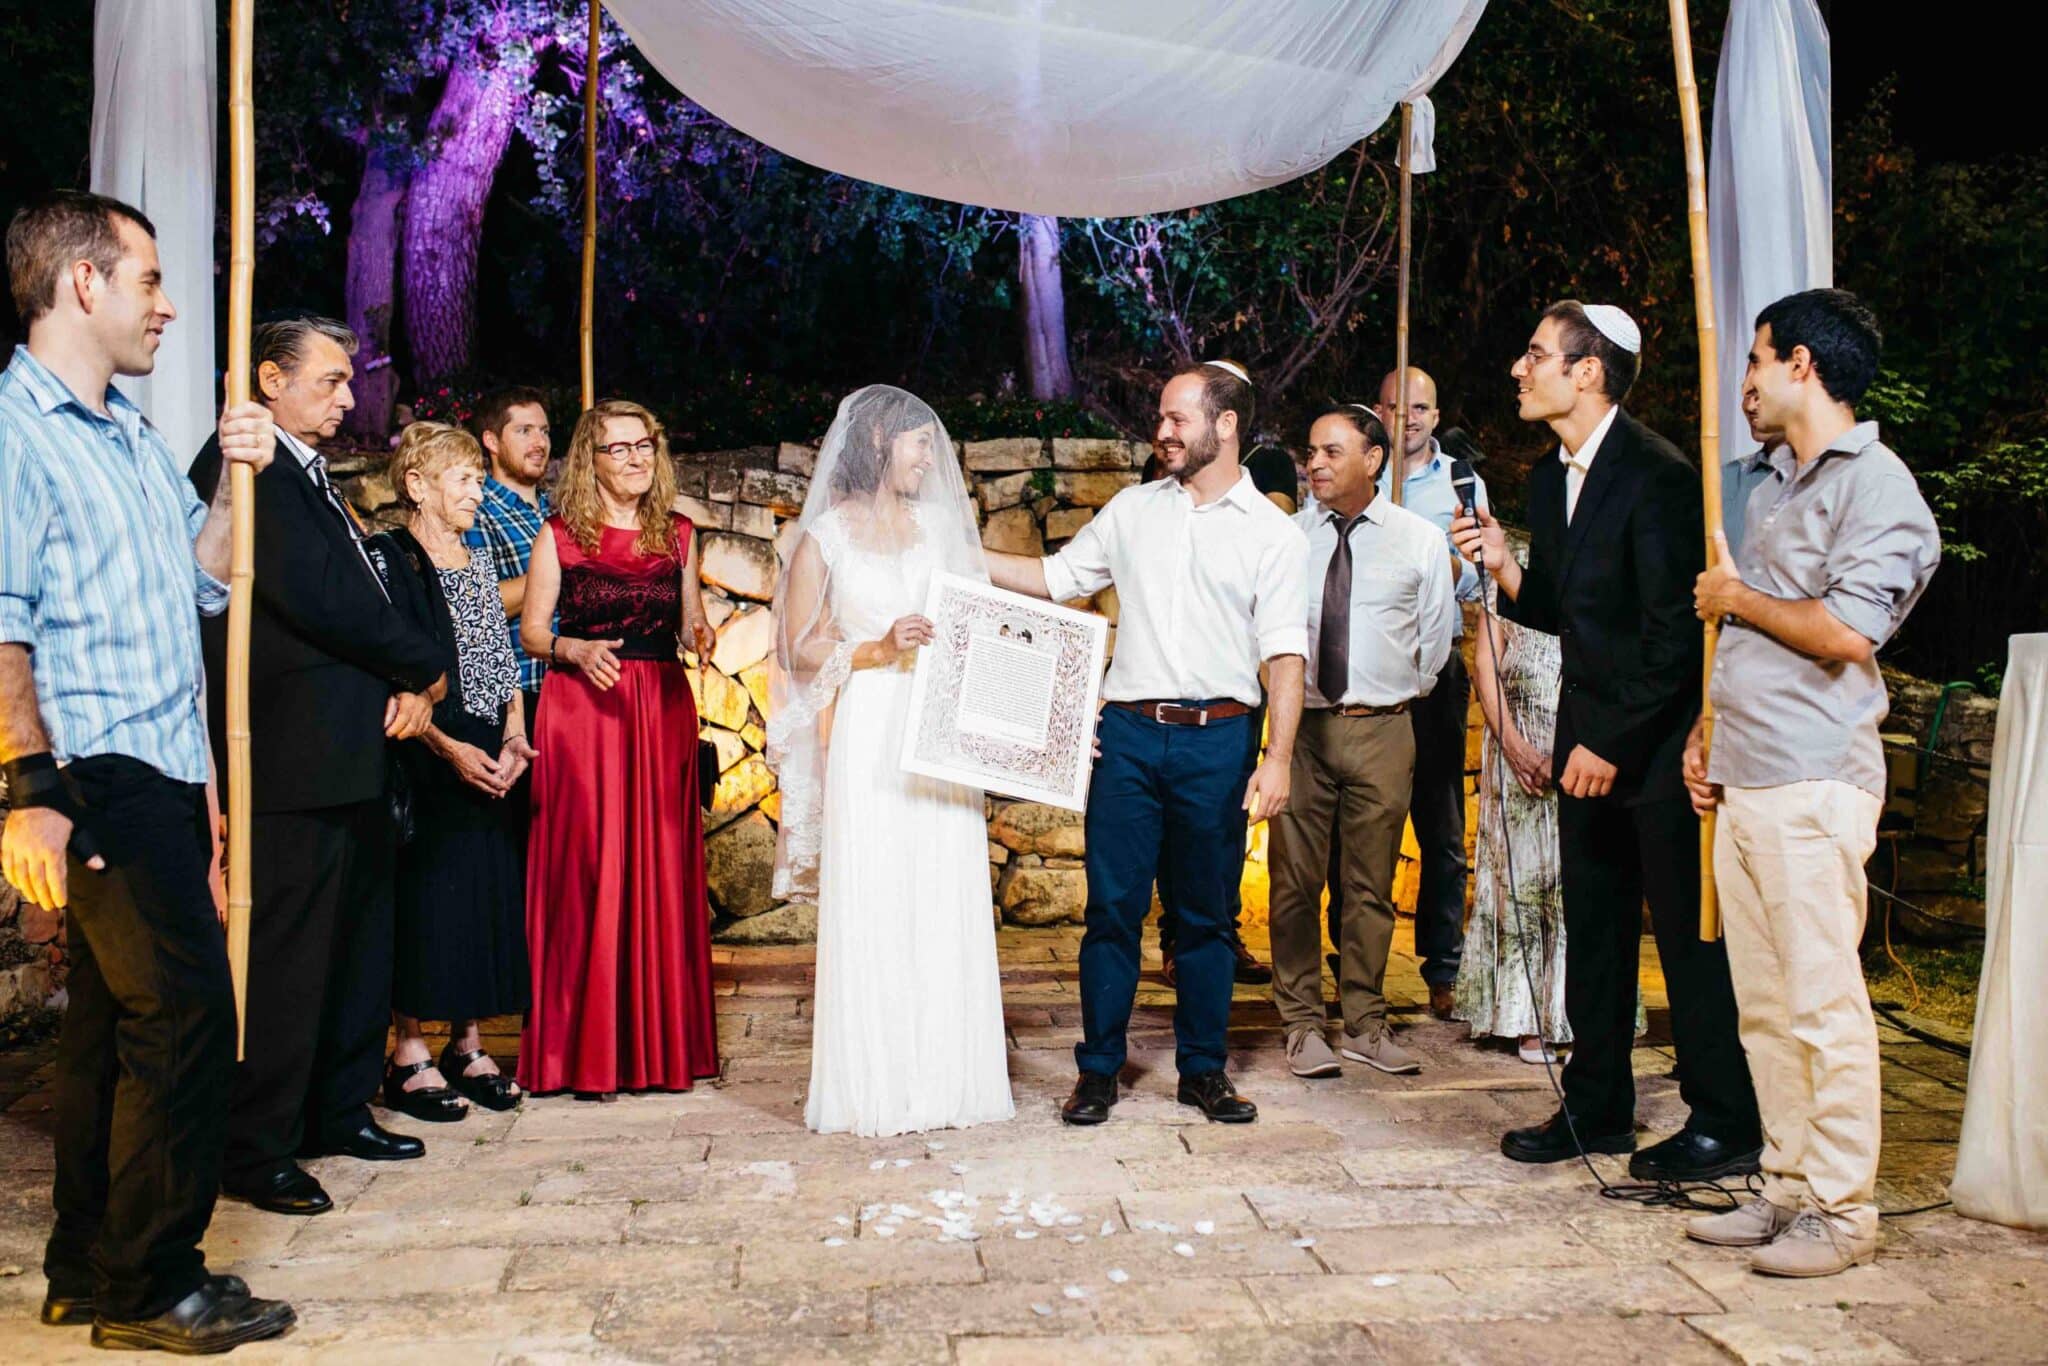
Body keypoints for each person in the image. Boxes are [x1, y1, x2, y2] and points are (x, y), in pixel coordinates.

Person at [1, 189, 295, 1350]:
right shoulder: (13, 431)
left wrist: (235, 480)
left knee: (112, 1030)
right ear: (83, 282)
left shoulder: (121, 430)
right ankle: (152, 1282)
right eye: (150, 281)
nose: (168, 307)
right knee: (183, 1019)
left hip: (162, 767)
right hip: (94, 770)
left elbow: (198, 583)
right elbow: (2, 619)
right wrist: (29, 790)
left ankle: (87, 1264)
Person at [1452, 300, 1761, 1181]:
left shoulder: (1660, 473)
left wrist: (1614, 743)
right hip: (1587, 741)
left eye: (1537, 353)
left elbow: (1673, 637)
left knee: (1687, 941)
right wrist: (1507, 569)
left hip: (1660, 751)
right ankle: (1597, 1111)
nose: (1520, 367)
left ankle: (1725, 1120)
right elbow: (1559, 612)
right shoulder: (1550, 479)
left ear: (1587, 371)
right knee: (1592, 935)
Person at [1683, 289, 1939, 1277]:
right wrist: (1706, 735)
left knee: (1820, 1001)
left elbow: (1843, 631)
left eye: (1752, 360)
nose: (1741, 384)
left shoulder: (1877, 489)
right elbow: (1740, 643)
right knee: (1762, 1001)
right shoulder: (1759, 483)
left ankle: (1839, 1208)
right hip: (1746, 776)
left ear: (1798, 363)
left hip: (1812, 780)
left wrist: (1736, 594)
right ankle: (1784, 1184)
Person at [988, 362, 1308, 1126]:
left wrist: (1279, 757)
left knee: (1207, 921)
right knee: (1111, 911)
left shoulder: (1274, 533)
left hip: (1222, 740)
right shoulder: (1133, 510)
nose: (1161, 431)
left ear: (1225, 426)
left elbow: (1287, 657)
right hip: (1127, 738)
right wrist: (949, 557)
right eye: (1161, 418)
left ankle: (1203, 1071)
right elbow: (1054, 577)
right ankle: (1098, 1071)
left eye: (1178, 419)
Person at [189, 315, 448, 1217]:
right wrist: (423, 662)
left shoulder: (316, 478)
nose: (348, 398)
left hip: (352, 755)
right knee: (287, 956)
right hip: (289, 756)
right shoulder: (245, 470)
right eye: (331, 381)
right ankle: (256, 1143)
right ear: (269, 378)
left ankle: (338, 1108)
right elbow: (323, 598)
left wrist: (415, 678)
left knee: (355, 945)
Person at [768, 385, 1015, 1136]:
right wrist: (876, 648)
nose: (928, 459)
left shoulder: (941, 530)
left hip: (938, 728)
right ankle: (873, 1084)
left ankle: (949, 1081)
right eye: (918, 445)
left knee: (942, 889)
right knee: (877, 888)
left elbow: (985, 625)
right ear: (879, 445)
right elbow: (795, 648)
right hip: (874, 725)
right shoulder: (826, 539)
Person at [518, 399, 720, 1098]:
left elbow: (691, 619)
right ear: (591, 460)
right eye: (621, 449)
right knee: (591, 870)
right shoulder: (561, 536)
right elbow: (534, 634)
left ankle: (662, 1045)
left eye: (646, 446)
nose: (637, 459)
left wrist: (700, 632)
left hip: (660, 707)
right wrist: (573, 648)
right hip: (586, 713)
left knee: (662, 868)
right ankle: (586, 1054)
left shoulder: (680, 533)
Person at [1270, 405, 1453, 1080]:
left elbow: (1435, 642)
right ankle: (1299, 1024)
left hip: (1384, 728)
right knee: (1293, 883)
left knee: (1370, 886)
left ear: (1372, 460)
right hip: (1305, 732)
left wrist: (1396, 692)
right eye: (1310, 452)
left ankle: (1365, 1023)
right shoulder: (1289, 539)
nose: (1314, 463)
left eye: (1331, 452)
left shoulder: (1418, 540)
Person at [371, 422, 533, 1122]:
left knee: (481, 893)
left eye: (477, 477)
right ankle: (407, 1051)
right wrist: (448, 747)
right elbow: (387, 673)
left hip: (490, 743)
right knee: (425, 898)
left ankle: (467, 1044)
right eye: (464, 480)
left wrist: (516, 733)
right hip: (427, 751)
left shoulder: (473, 556)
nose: (478, 491)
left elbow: (500, 658)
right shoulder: (393, 560)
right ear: (417, 486)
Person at [1369, 366, 1485, 1019]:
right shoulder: (1359, 472)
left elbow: (1479, 576)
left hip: (1435, 675)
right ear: (1379, 410)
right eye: (1394, 406)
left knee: (1440, 828)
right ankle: (1357, 968)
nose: (1406, 417)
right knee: (1361, 830)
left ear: (1434, 416)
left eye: (1418, 407)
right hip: (1371, 674)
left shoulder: (1462, 485)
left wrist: (1444, 563)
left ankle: (1443, 968)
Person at [466, 386, 553, 726]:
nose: (540, 443)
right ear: (491, 441)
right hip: (518, 698)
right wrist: (560, 571)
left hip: (573, 688)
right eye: (524, 431)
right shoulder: (476, 510)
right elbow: (480, 606)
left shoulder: (555, 511)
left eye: (544, 431)